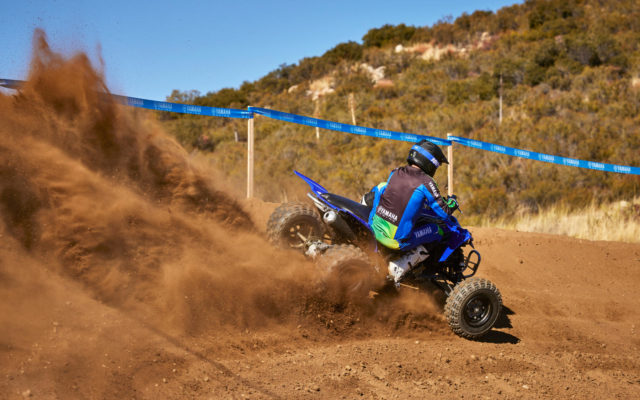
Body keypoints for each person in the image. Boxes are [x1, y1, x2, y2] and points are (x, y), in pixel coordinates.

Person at [364, 140, 458, 284]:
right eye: (437, 165)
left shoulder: (395, 172)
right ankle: (399, 267)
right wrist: (453, 202)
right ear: (430, 163)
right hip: (395, 240)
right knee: (437, 230)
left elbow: (400, 197)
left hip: (373, 229)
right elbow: (444, 212)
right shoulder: (427, 182)